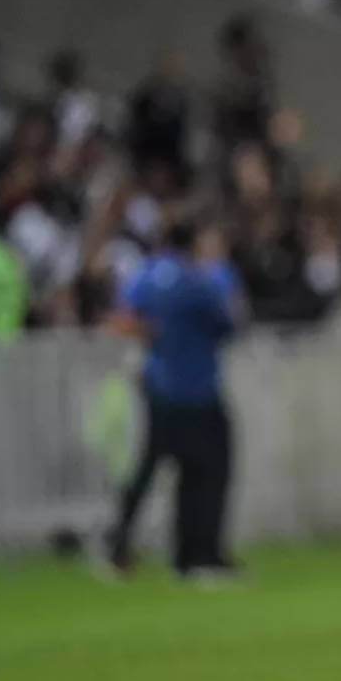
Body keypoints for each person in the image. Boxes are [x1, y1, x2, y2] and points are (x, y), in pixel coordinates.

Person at [106, 221, 244, 579]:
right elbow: (228, 325)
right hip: (197, 389)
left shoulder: (146, 275)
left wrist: (154, 338)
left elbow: (123, 319)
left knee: (147, 469)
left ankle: (117, 545)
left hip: (158, 386)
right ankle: (200, 554)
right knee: (207, 472)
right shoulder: (201, 282)